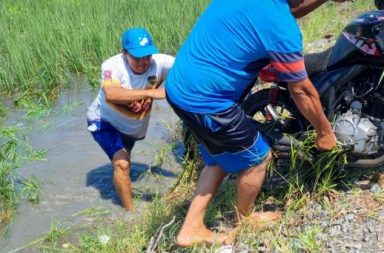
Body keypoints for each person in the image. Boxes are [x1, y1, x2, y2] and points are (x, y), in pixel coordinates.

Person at [165, 0, 348, 247]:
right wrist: (325, 132)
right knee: (258, 157)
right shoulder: (281, 26)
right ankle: (245, 220)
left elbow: (292, 7)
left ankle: (190, 229)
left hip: (180, 88)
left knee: (218, 155)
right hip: (205, 100)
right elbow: (302, 91)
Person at [87, 28, 174, 210]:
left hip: (131, 128)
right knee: (123, 163)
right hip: (103, 120)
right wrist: (151, 93)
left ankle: (120, 182)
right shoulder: (112, 66)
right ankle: (130, 213)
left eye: (147, 56)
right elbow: (111, 93)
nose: (143, 62)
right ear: (124, 52)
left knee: (124, 161)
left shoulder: (160, 62)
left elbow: (189, 68)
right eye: (137, 57)